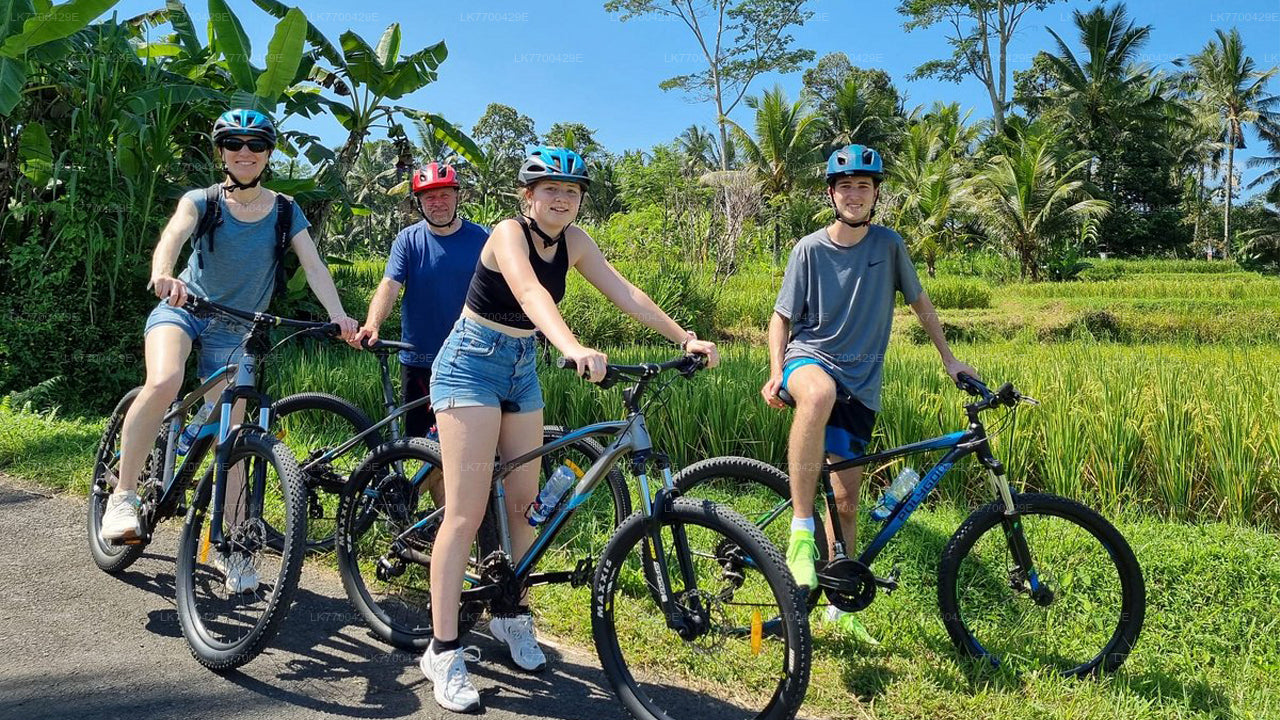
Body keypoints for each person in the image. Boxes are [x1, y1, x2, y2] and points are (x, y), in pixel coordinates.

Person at [419, 147, 720, 712]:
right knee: (465, 511)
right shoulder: (507, 234)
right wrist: (573, 345)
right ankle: (443, 649)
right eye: (550, 189)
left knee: (525, 505)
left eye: (571, 191)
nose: (561, 199)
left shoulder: (575, 242)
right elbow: (530, 293)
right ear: (527, 196)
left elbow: (625, 292)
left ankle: (510, 613)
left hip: (521, 367)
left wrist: (684, 337)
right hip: (469, 364)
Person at [99, 109, 359, 593]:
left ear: (268, 154)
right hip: (185, 309)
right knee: (165, 380)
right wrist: (164, 274)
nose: (245, 152)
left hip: (238, 330)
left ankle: (232, 544)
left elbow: (314, 266)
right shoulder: (203, 200)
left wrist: (339, 315)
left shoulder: (285, 210)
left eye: (255, 144)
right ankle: (124, 495)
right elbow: (172, 235)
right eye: (234, 143)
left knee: (235, 438)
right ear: (221, 152)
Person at [759, 143, 978, 645]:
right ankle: (800, 532)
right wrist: (775, 371)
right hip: (809, 359)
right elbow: (781, 317)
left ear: (876, 194)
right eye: (845, 186)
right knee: (817, 394)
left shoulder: (888, 245)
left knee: (847, 500)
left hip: (861, 384)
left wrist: (950, 360)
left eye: (864, 186)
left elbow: (920, 303)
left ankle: (839, 607)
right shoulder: (808, 249)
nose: (854, 194)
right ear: (831, 195)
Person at [350, 162, 489, 438]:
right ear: (419, 203)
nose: (438, 203)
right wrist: (372, 324)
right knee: (419, 443)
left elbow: (510, 284)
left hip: (472, 357)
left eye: (444, 194)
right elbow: (390, 284)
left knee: (470, 439)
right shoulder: (408, 240)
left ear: (458, 196)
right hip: (420, 358)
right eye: (429, 197)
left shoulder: (484, 238)